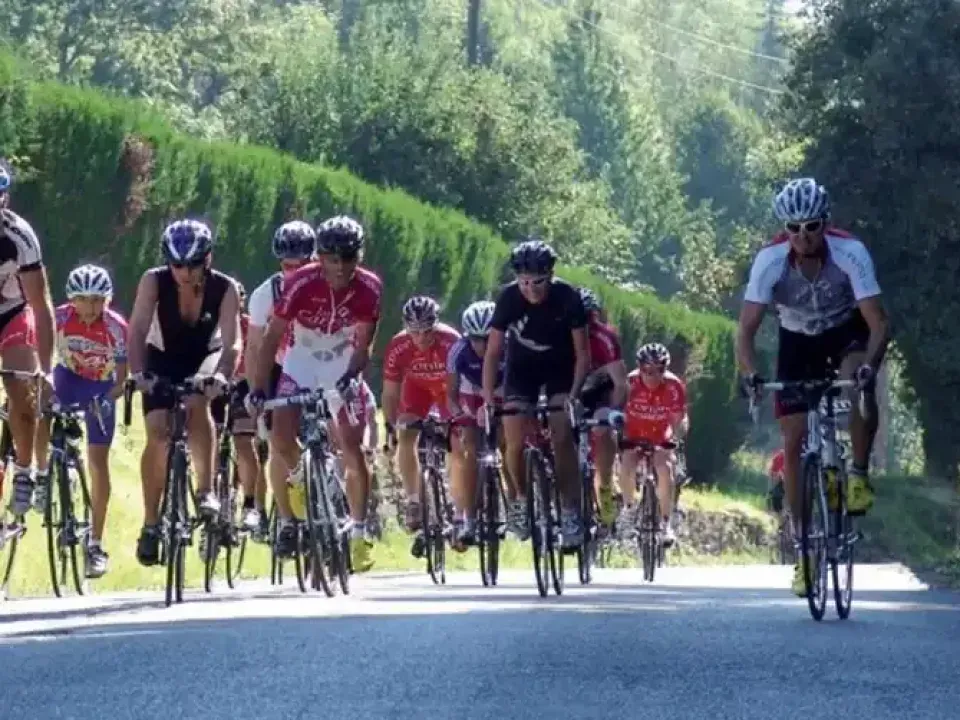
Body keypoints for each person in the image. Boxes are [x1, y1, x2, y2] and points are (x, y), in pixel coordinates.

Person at [736, 177, 889, 596]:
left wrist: (869, 368)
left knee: (858, 384)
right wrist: (749, 373)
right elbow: (746, 330)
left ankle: (857, 473)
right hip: (796, 338)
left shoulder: (851, 253)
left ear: (825, 223)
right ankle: (804, 552)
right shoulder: (769, 261)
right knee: (793, 440)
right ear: (784, 230)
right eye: (794, 229)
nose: (803, 237)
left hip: (845, 330)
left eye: (812, 227)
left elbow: (878, 322)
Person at [249, 215, 381, 573]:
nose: (339, 267)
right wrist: (259, 388)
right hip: (301, 360)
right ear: (319, 257)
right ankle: (299, 483)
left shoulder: (370, 288)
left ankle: (358, 531)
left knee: (352, 447)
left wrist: (352, 377)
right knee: (280, 435)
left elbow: (364, 343)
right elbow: (271, 338)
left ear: (359, 255)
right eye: (331, 258)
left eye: (348, 258)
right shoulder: (299, 282)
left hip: (341, 361)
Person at [126, 219, 242, 567]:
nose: (184, 272)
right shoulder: (153, 281)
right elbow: (137, 331)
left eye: (192, 264)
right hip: (162, 358)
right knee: (158, 434)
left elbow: (233, 340)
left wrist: (222, 376)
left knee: (197, 402)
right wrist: (138, 374)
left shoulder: (226, 288)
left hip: (204, 357)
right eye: (177, 264)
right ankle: (150, 523)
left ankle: (205, 490)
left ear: (207, 260)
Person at [482, 239, 590, 548]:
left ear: (551, 276)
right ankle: (518, 499)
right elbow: (492, 353)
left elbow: (583, 354)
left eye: (538, 282)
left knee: (561, 435)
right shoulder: (509, 299)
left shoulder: (567, 297)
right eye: (524, 282)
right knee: (512, 437)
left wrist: (573, 395)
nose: (531, 289)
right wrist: (490, 398)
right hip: (522, 369)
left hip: (560, 368)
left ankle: (569, 510)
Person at [33, 265, 127, 577]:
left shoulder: (116, 327)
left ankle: (96, 544)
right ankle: (43, 473)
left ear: (107, 300)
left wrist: (107, 399)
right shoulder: (58, 318)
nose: (90, 307)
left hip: (102, 386)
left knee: (98, 462)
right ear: (71, 300)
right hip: (68, 378)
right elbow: (38, 354)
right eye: (83, 299)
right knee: (41, 405)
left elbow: (123, 379)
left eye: (97, 300)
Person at [245, 220, 317, 540]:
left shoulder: (326, 286)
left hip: (317, 364)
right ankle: (287, 520)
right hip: (278, 366)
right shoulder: (266, 295)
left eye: (301, 264)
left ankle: (331, 491)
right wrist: (255, 392)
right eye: (287, 265)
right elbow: (253, 348)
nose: (293, 272)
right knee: (277, 441)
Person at [381, 296, 461, 555]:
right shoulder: (398, 345)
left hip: (449, 389)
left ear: (436, 325)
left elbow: (461, 384)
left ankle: (458, 503)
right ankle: (414, 500)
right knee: (406, 434)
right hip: (417, 389)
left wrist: (457, 417)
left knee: (458, 441)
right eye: (415, 332)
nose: (422, 338)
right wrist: (391, 427)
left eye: (428, 331)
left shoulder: (451, 341)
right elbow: (391, 393)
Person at [0, 161, 57, 517]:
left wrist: (47, 369)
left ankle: (24, 469)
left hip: (14, 312)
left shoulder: (20, 236)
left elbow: (40, 302)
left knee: (20, 382)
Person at [618, 343, 688, 546]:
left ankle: (666, 523)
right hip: (634, 432)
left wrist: (676, 436)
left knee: (664, 468)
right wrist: (620, 437)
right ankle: (629, 509)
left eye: (659, 371)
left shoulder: (674, 386)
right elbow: (618, 413)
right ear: (639, 368)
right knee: (627, 465)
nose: (652, 376)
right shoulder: (629, 383)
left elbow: (679, 419)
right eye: (647, 371)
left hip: (660, 434)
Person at [445, 300, 500, 548]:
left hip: (501, 391)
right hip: (470, 393)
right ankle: (469, 517)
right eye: (476, 339)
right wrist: (458, 414)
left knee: (509, 440)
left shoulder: (509, 348)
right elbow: (452, 394)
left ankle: (515, 500)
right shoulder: (458, 351)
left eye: (488, 339)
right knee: (469, 448)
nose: (482, 346)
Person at [577, 287, 628, 527]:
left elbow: (620, 383)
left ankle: (605, 485)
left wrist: (615, 410)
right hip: (571, 392)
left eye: (590, 318)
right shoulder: (557, 335)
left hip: (600, 393)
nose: (585, 325)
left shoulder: (605, 338)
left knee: (604, 427)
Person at [767, 448, 786, 514]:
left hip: (784, 481)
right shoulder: (777, 458)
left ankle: (780, 510)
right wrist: (778, 475)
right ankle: (776, 510)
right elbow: (771, 472)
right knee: (775, 493)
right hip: (778, 481)